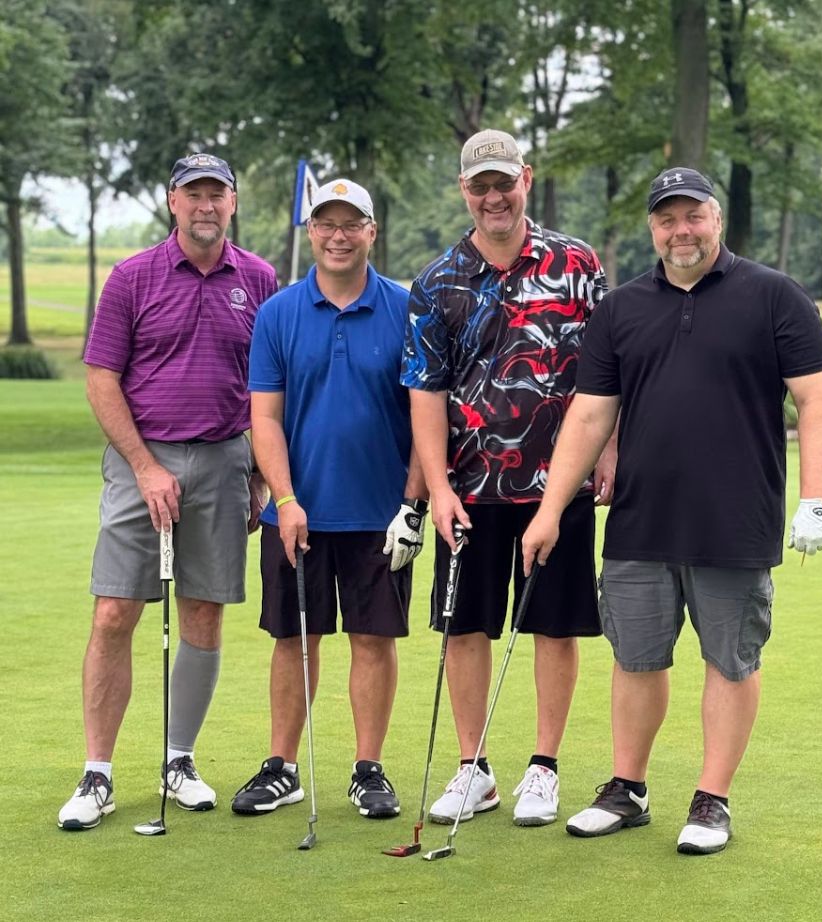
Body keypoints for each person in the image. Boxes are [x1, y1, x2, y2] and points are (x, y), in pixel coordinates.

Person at [522, 166, 822, 854]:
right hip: (641, 518)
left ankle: (712, 798)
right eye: (667, 219)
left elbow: (818, 401)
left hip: (736, 518)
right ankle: (627, 788)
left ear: (716, 219)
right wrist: (550, 510)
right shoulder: (622, 308)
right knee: (636, 658)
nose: (681, 231)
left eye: (692, 215)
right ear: (652, 229)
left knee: (730, 660)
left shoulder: (774, 296)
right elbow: (587, 418)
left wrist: (817, 499)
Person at [58, 153, 279, 830]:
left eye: (217, 193)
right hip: (140, 459)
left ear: (233, 203)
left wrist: (264, 474)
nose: (205, 205)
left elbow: (273, 385)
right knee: (113, 614)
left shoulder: (261, 279)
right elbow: (102, 378)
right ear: (172, 202)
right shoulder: (133, 277)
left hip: (224, 460)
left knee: (204, 615)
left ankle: (179, 761)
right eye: (193, 194)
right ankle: (97, 773)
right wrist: (145, 466)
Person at [401, 129, 615, 828]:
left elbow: (607, 376)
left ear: (526, 177)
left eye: (504, 181)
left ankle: (544, 769)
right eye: (479, 185)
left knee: (554, 626)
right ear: (464, 190)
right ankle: (474, 768)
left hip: (560, 484)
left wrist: (608, 451)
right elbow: (425, 393)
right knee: (465, 627)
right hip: (470, 487)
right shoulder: (436, 281)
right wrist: (435, 487)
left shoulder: (577, 263)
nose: (493, 196)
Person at [232, 178, 426, 820]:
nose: (338, 236)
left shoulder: (406, 308)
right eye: (326, 224)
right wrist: (284, 500)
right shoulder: (279, 313)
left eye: (352, 224)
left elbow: (429, 418)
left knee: (374, 639)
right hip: (297, 511)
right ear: (310, 231)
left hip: (381, 513)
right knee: (294, 638)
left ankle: (368, 769)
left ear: (373, 232)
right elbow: (265, 419)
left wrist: (412, 504)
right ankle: (282, 766)